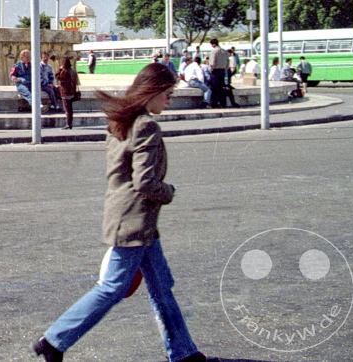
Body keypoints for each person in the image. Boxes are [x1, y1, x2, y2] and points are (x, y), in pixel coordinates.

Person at [33, 63, 210, 362]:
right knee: (113, 288)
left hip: (133, 220)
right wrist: (169, 191)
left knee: (162, 287)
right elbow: (145, 182)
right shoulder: (145, 126)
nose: (169, 100)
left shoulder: (121, 121)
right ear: (151, 92)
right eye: (167, 94)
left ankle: (183, 353)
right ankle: (54, 340)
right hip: (134, 223)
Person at [55, 57, 79, 129]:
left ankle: (68, 124)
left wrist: (60, 69)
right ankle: (70, 122)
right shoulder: (73, 71)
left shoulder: (65, 71)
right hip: (72, 92)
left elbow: (57, 77)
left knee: (67, 109)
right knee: (70, 109)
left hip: (65, 92)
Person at [206, 39, 229, 108]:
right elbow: (228, 62)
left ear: (213, 44)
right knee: (222, 87)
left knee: (214, 87)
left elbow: (212, 62)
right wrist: (225, 68)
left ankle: (214, 103)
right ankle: (223, 103)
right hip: (223, 70)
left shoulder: (214, 51)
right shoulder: (224, 51)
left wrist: (211, 69)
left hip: (215, 71)